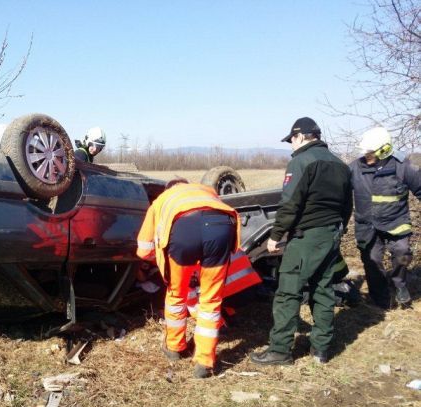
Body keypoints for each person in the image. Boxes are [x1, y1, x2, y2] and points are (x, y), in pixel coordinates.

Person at [250, 117, 352, 366]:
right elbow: (347, 205)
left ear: (300, 136)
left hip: (306, 235)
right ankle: (321, 349)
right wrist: (339, 230)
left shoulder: (301, 162)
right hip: (330, 233)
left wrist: (275, 236)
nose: (290, 146)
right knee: (323, 289)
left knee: (287, 292)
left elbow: (290, 203)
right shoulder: (340, 164)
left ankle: (280, 351)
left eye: (291, 140)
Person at [137, 178, 260, 378]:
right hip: (221, 227)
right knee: (211, 300)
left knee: (177, 295)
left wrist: (158, 260)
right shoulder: (206, 191)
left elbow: (143, 249)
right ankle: (205, 362)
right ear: (186, 185)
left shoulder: (162, 199)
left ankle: (174, 348)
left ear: (170, 188)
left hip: (183, 231)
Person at [350, 126, 421, 309]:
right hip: (368, 226)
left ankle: (399, 284)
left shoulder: (403, 167)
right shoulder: (355, 168)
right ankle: (381, 298)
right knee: (371, 260)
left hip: (396, 222)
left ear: (384, 150)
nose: (366, 155)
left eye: (370, 152)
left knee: (402, 253)